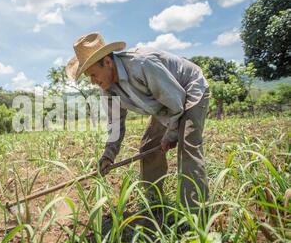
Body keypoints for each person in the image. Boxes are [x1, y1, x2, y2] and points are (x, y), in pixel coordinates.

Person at [66, 32, 211, 209]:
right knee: (149, 148)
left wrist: (171, 135)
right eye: (89, 77)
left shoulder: (142, 63)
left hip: (188, 90)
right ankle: (155, 203)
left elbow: (176, 102)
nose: (92, 81)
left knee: (188, 146)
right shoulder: (108, 90)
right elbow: (115, 125)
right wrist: (108, 156)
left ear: (108, 63)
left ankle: (196, 214)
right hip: (163, 104)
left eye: (93, 74)